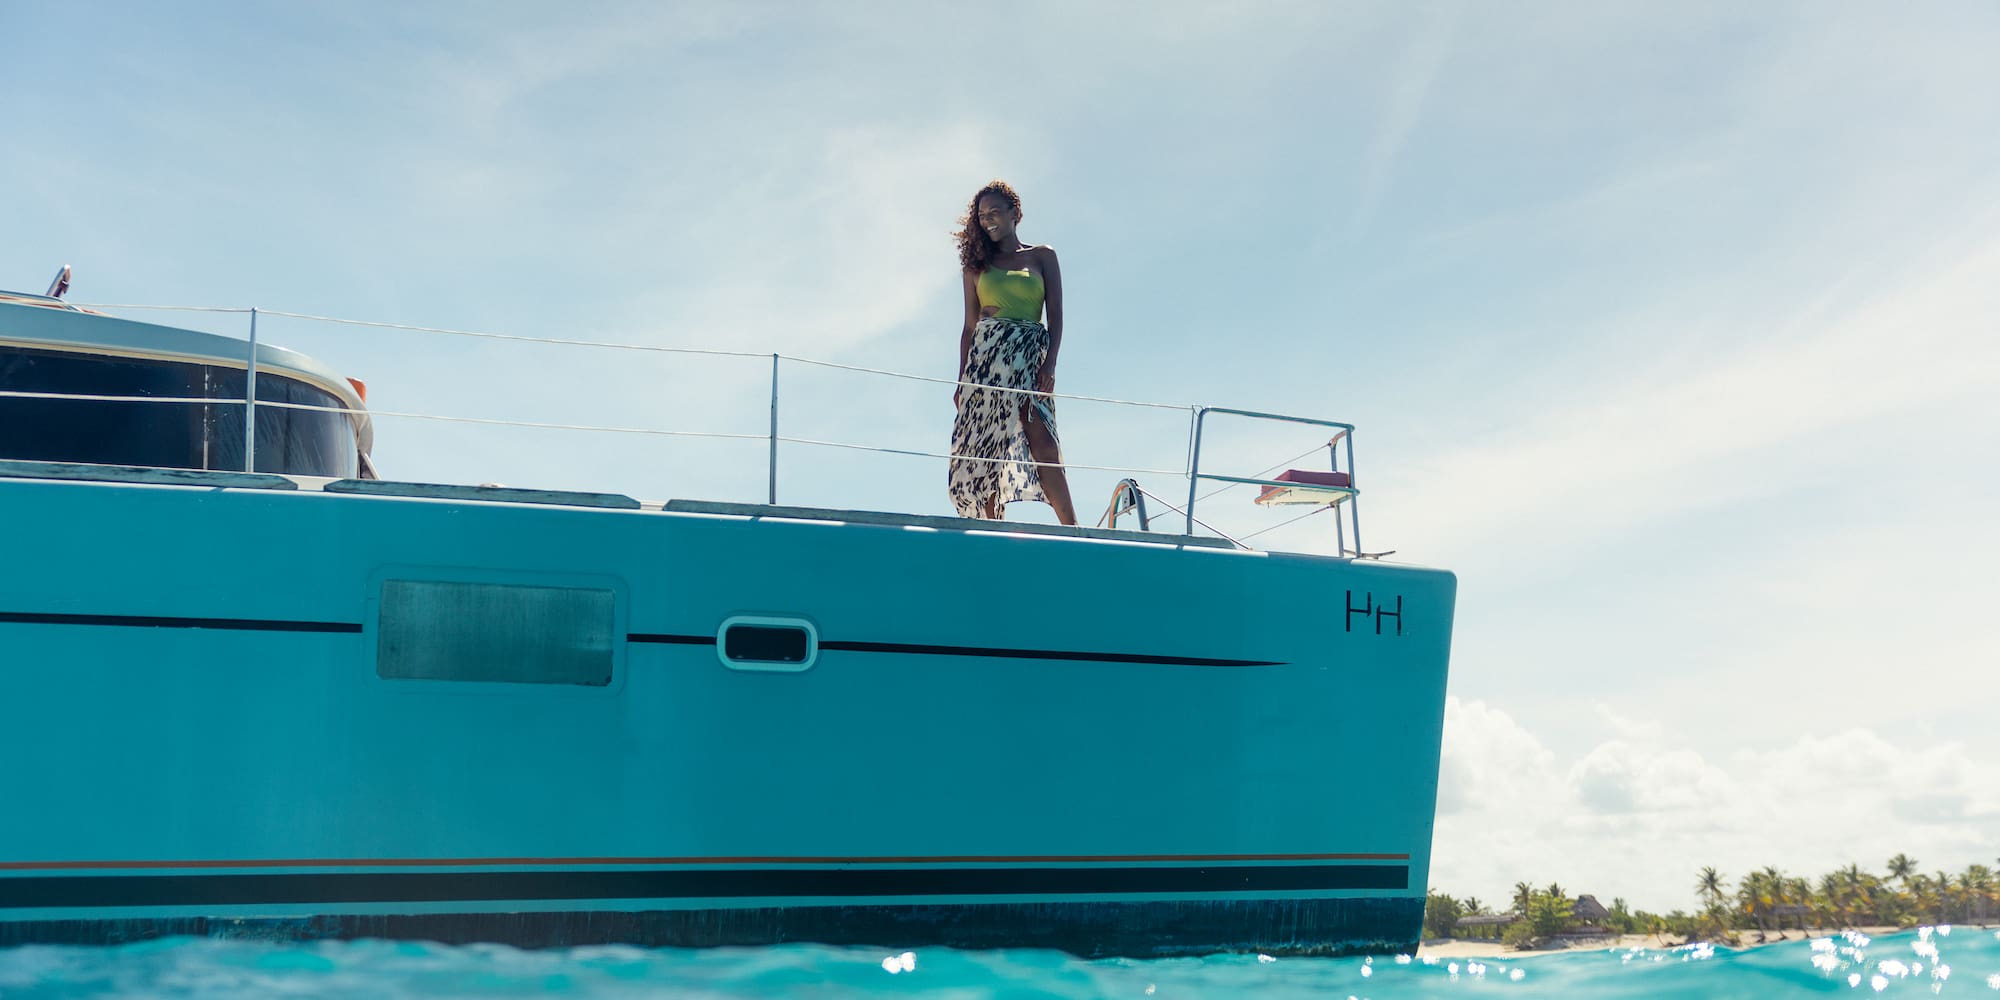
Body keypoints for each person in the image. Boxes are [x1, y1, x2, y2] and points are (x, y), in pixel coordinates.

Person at [947, 180, 1078, 525]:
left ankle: (1074, 529)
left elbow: (1057, 315)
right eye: (981, 215)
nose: (987, 220)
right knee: (986, 447)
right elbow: (969, 327)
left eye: (994, 212)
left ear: (1014, 213)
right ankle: (993, 528)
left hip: (1029, 356)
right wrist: (961, 380)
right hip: (986, 361)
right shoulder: (975, 266)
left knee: (1043, 441)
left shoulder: (1042, 256)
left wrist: (1050, 364)